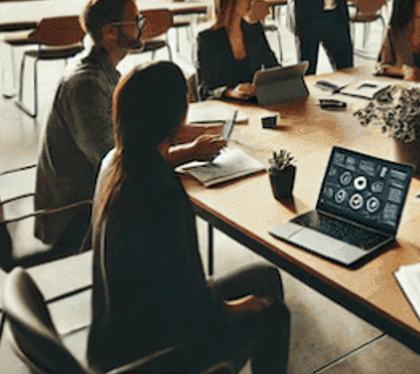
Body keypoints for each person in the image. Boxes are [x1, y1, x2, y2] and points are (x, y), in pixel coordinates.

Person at [87, 61, 290, 374]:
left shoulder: (114, 162)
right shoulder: (160, 191)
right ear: (178, 116)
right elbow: (196, 307)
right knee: (274, 314)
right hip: (155, 351)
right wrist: (242, 307)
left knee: (264, 275)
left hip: (112, 337)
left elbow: (177, 282)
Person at [34, 0, 225, 249]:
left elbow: (142, 131)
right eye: (136, 21)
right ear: (110, 32)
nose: (142, 26)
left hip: (94, 196)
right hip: (76, 217)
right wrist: (191, 152)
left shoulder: (103, 71)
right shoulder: (85, 85)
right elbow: (119, 161)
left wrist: (220, 130)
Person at [196, 0, 280, 100]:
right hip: (225, 106)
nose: (251, 0)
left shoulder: (254, 29)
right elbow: (204, 89)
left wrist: (287, 77)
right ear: (227, 1)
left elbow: (272, 65)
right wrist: (232, 92)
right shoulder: (207, 38)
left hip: (255, 102)